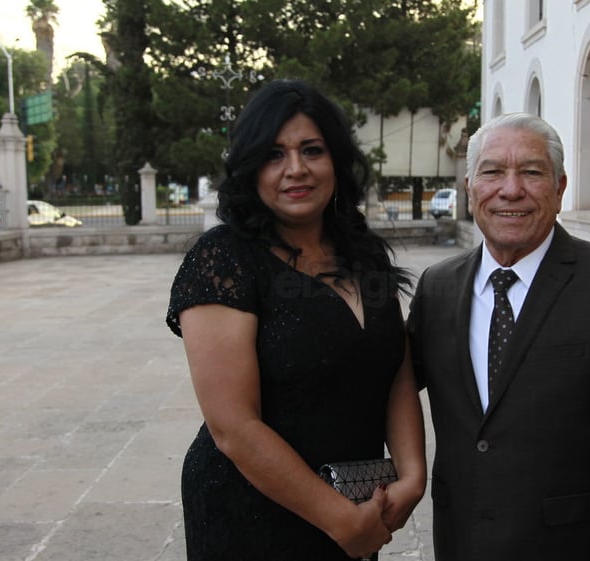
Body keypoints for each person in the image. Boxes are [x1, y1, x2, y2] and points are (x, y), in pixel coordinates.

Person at [166, 79, 426, 561]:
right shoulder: (224, 259)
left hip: (353, 501)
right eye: (273, 155)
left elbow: (395, 368)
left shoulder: (363, 253)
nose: (295, 169)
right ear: (250, 168)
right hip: (253, 513)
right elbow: (234, 426)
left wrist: (413, 475)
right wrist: (340, 521)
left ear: (337, 160)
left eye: (312, 150)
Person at [406, 112, 590, 561]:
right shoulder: (437, 287)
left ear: (560, 188)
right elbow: (381, 381)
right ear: (471, 186)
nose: (510, 189)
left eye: (531, 172)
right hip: (461, 543)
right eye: (492, 172)